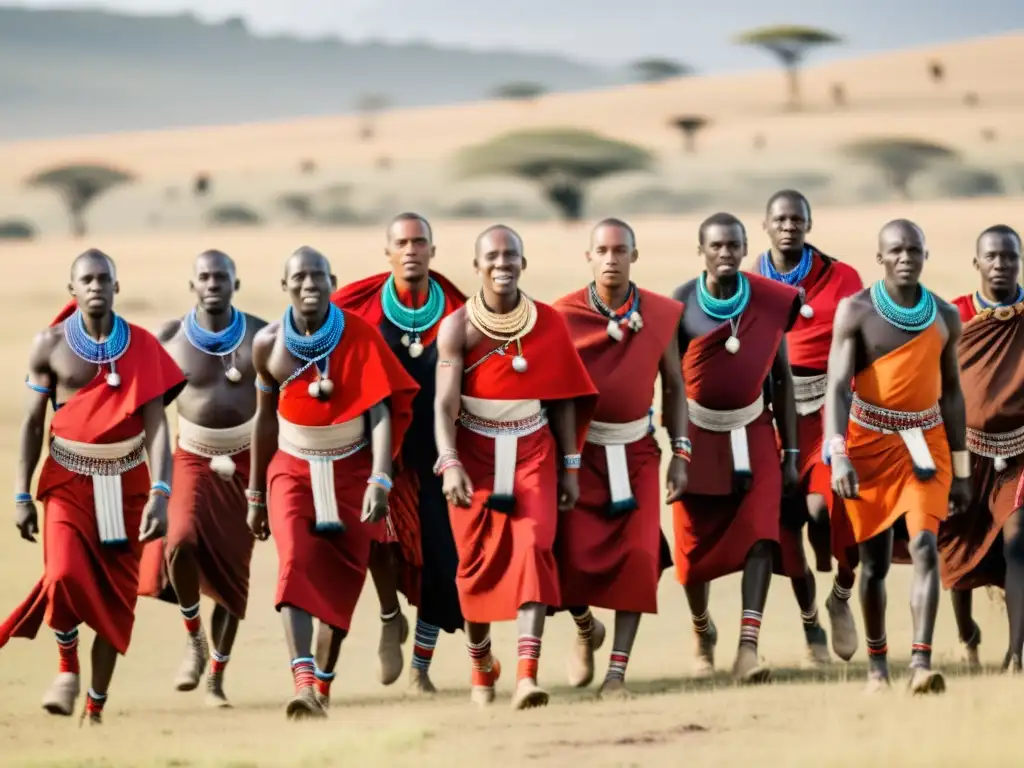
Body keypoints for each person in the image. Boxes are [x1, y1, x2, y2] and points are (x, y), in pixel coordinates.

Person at [1, 249, 185, 723]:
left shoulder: (143, 347)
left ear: (117, 287)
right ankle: (66, 668)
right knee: (62, 573)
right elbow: (30, 425)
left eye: (105, 278)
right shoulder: (50, 344)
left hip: (128, 485)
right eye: (87, 279)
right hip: (67, 480)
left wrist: (162, 494)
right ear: (73, 290)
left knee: (116, 600)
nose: (96, 285)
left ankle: (96, 704)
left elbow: (158, 428)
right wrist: (21, 493)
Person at [247, 246, 418, 720]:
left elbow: (381, 412)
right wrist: (256, 494)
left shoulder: (359, 336)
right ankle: (303, 681)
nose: (308, 285)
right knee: (297, 562)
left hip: (352, 467)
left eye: (317, 276)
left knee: (344, 574)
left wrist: (380, 478)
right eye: (298, 277)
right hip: (293, 465)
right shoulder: (267, 344)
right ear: (285, 285)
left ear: (332, 281)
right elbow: (263, 420)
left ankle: (322, 686)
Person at [434, 225, 598, 709]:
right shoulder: (457, 327)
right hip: (474, 453)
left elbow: (565, 397)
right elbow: (443, 405)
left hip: (533, 451)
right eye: (493, 256)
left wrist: (570, 467)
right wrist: (449, 462)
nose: (502, 264)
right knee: (475, 562)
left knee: (533, 548)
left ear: (523, 264)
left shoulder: (547, 323)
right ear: (477, 266)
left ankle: (527, 676)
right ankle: (483, 665)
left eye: (511, 256)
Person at [825, 219, 971, 694]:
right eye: (896, 251)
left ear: (926, 255)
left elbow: (952, 395)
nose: (906, 258)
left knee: (926, 546)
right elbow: (837, 389)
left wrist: (962, 468)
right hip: (867, 445)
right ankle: (877, 667)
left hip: (926, 446)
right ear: (880, 257)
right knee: (875, 565)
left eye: (914, 250)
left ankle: (921, 665)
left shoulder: (946, 316)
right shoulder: (856, 311)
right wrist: (838, 453)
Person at [331, 213, 467, 694]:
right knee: (377, 541)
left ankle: (420, 668)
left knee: (441, 558)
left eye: (420, 242)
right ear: (387, 252)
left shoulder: (457, 309)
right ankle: (390, 616)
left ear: (433, 250)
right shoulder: (356, 308)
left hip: (437, 450)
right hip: (378, 449)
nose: (411, 250)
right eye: (402, 243)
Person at [553, 218, 688, 697]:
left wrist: (681, 453)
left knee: (638, 557)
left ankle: (616, 674)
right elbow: (554, 396)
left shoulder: (662, 313)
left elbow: (674, 384)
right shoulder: (562, 316)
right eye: (602, 251)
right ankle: (587, 628)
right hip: (580, 456)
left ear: (634, 255)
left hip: (638, 453)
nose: (611, 258)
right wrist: (562, 462)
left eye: (620, 250)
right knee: (569, 556)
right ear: (589, 257)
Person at [670, 213, 801, 684]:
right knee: (689, 552)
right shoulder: (679, 304)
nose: (726, 253)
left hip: (755, 432)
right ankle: (702, 630)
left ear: (746, 248)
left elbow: (782, 378)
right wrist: (676, 448)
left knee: (762, 535)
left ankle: (749, 646)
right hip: (698, 436)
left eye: (734, 246)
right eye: (716, 246)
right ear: (701, 250)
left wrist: (790, 455)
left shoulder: (768, 301)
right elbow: (668, 384)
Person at [137, 250, 267, 707]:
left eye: (222, 277)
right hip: (190, 456)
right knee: (180, 542)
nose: (213, 284)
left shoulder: (260, 335)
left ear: (236, 283)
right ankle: (194, 638)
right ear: (193, 285)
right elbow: (148, 414)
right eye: (205, 277)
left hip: (248, 460)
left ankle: (215, 679)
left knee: (233, 576)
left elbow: (282, 408)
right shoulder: (169, 338)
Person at [751, 190, 863, 666]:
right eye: (780, 219)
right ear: (766, 225)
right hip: (769, 413)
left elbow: (863, 341)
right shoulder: (748, 280)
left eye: (798, 218)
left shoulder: (842, 277)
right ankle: (810, 623)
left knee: (828, 506)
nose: (789, 226)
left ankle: (840, 593)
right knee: (783, 526)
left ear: (810, 223)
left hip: (829, 411)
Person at [939, 225, 1024, 674]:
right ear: (977, 263)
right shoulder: (954, 315)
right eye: (991, 257)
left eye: (1009, 257)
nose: (1000, 264)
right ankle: (966, 634)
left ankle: (1015, 655)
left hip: (1020, 454)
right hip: (964, 452)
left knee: (1018, 539)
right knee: (957, 540)